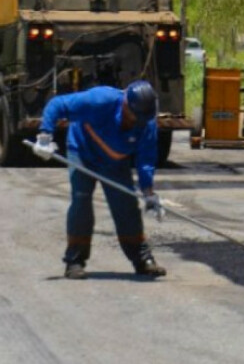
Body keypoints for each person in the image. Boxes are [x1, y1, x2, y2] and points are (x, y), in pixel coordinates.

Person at [32, 80, 167, 279]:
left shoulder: (147, 123)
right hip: (83, 152)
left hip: (115, 160)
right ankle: (74, 261)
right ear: (125, 104)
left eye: (143, 119)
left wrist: (149, 193)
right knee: (81, 201)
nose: (137, 123)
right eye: (135, 117)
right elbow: (57, 104)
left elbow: (145, 160)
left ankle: (142, 259)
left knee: (126, 205)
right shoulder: (100, 100)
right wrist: (45, 136)